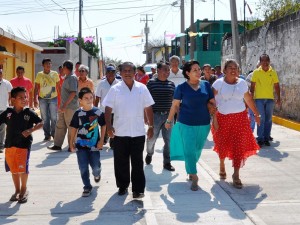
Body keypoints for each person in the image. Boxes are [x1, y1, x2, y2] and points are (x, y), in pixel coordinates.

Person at [103, 62, 154, 199]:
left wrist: (151, 126)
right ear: (120, 72)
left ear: (134, 72)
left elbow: (148, 107)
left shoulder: (142, 88)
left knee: (138, 161)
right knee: (121, 161)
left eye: (130, 70)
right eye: (124, 70)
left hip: (138, 131)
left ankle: (138, 190)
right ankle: (122, 186)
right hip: (120, 131)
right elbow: (107, 109)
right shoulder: (115, 89)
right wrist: (109, 127)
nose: (127, 73)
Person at [165, 60, 216, 191]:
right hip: (185, 123)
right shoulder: (181, 87)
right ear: (187, 73)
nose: (199, 72)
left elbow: (212, 104)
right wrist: (169, 120)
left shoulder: (205, 85)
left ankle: (190, 168)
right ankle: (194, 176)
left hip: (204, 123)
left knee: (197, 149)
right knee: (189, 150)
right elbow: (175, 105)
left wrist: (215, 121)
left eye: (199, 69)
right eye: (195, 70)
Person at [212, 59, 261, 189]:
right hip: (222, 118)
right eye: (230, 67)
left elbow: (248, 99)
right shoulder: (218, 84)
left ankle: (236, 174)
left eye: (236, 68)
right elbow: (211, 101)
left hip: (240, 119)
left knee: (238, 145)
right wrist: (213, 117)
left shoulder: (242, 83)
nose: (233, 70)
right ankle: (222, 164)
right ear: (224, 71)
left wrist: (256, 114)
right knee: (222, 143)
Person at [0, 87, 43, 203]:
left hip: (24, 146)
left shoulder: (28, 112)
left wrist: (30, 130)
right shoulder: (8, 112)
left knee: (22, 169)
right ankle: (17, 190)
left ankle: (24, 190)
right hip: (9, 145)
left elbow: (41, 123)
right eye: (21, 98)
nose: (24, 99)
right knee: (14, 170)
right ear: (13, 100)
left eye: (25, 97)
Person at [69, 87, 106, 197]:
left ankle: (97, 174)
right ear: (80, 100)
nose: (89, 100)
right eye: (86, 98)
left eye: (91, 97)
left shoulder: (98, 112)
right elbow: (74, 128)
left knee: (96, 166)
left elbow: (103, 125)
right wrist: (71, 142)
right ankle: (87, 186)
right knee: (83, 166)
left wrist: (101, 140)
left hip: (94, 145)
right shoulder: (78, 113)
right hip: (80, 145)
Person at [145, 62, 175, 171]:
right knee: (151, 138)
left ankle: (167, 163)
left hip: (168, 116)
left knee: (168, 141)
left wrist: (174, 117)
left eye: (168, 70)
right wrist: (146, 117)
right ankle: (149, 153)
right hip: (155, 116)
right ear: (158, 70)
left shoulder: (171, 84)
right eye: (165, 69)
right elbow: (146, 101)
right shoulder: (151, 83)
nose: (167, 72)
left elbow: (174, 102)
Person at [48, 60, 79, 151]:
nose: (62, 69)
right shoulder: (67, 77)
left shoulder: (72, 78)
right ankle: (57, 145)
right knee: (60, 125)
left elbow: (73, 93)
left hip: (70, 107)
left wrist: (65, 105)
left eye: (63, 68)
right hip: (63, 107)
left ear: (65, 67)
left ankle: (71, 145)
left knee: (71, 126)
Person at [250, 54, 280, 147]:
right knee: (261, 118)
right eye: (263, 61)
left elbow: (276, 86)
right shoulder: (256, 72)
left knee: (268, 119)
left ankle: (266, 138)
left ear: (269, 61)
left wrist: (279, 97)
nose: (265, 62)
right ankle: (260, 139)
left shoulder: (273, 72)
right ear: (260, 62)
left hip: (270, 99)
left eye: (266, 60)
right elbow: (252, 85)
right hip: (259, 99)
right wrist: (251, 97)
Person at [34, 58, 60, 141]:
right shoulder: (39, 74)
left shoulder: (55, 74)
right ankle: (47, 135)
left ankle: (54, 133)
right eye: (46, 64)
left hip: (53, 98)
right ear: (43, 65)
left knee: (53, 117)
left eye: (49, 63)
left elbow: (58, 86)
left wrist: (61, 98)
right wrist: (35, 98)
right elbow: (36, 87)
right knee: (45, 118)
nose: (48, 65)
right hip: (42, 98)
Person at [94, 65, 119, 148]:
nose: (111, 74)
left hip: (115, 110)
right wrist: (94, 109)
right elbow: (97, 97)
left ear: (115, 73)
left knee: (114, 126)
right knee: (104, 126)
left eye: (113, 72)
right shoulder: (101, 84)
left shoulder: (119, 83)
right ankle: (104, 139)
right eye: (109, 72)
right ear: (106, 73)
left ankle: (113, 143)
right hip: (103, 110)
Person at [0, 69, 13, 153]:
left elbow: (11, 94)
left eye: (0, 73)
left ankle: (1, 145)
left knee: (3, 128)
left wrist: (11, 105)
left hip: (4, 108)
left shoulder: (7, 83)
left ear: (2, 74)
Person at [246, 61, 261, 132]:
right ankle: (250, 132)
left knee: (261, 117)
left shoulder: (267, 75)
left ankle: (262, 134)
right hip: (252, 99)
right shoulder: (251, 75)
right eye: (259, 66)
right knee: (252, 116)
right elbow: (247, 87)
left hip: (261, 99)